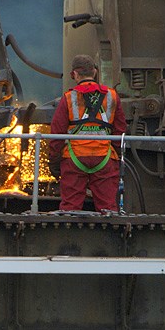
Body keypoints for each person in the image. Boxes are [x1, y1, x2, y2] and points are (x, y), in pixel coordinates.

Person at [48, 54, 126, 212]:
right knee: (108, 209)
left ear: (74, 74)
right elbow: (120, 130)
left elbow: (56, 134)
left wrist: (54, 163)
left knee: (70, 209)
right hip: (105, 158)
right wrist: (116, 156)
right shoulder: (112, 96)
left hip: (74, 159)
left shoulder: (68, 98)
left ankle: (68, 235)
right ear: (95, 72)